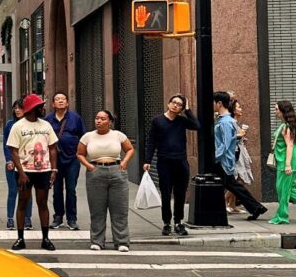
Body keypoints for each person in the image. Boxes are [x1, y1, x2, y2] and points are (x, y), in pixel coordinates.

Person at [7, 94, 59, 252]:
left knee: (42, 203)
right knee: (22, 202)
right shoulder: (18, 126)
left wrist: (54, 169)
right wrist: (21, 173)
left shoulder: (46, 125)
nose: (42, 109)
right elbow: (13, 151)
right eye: (39, 107)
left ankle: (45, 238)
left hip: (43, 170)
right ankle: (20, 238)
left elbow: (52, 148)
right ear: (32, 109)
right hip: (25, 171)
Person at [78, 110, 134, 252]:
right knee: (97, 209)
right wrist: (89, 166)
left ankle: (121, 242)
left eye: (103, 119)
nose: (99, 121)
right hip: (96, 172)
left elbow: (129, 149)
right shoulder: (88, 136)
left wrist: (125, 163)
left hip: (117, 171)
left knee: (119, 209)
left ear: (109, 121)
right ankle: (97, 241)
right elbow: (80, 154)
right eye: (97, 118)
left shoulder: (117, 135)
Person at [144, 94, 199, 236]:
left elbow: (197, 126)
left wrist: (188, 111)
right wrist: (147, 161)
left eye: (179, 104)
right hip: (164, 163)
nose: (176, 105)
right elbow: (152, 141)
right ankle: (167, 223)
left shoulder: (182, 121)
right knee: (166, 194)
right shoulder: (157, 121)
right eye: (173, 102)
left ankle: (178, 222)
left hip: (181, 162)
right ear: (168, 104)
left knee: (180, 194)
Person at [212, 91, 268, 220]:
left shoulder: (225, 122)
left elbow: (225, 144)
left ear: (219, 103)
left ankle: (255, 207)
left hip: (223, 160)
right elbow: (231, 140)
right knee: (232, 185)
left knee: (230, 185)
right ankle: (256, 207)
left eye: (214, 102)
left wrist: (215, 157)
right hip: (225, 159)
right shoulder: (225, 120)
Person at [45, 92, 86, 231]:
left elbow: (83, 137)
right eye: (57, 99)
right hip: (54, 160)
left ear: (67, 103)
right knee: (56, 189)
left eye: (63, 99)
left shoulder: (75, 118)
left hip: (72, 159)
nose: (60, 101)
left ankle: (72, 218)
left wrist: (81, 154)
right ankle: (58, 217)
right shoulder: (48, 119)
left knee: (70, 189)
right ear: (53, 104)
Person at [3, 100, 33, 230]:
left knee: (27, 192)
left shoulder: (32, 125)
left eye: (20, 108)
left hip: (28, 163)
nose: (17, 110)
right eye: (15, 108)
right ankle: (10, 219)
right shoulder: (10, 124)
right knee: (13, 191)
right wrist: (9, 160)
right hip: (13, 163)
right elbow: (6, 144)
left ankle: (27, 219)